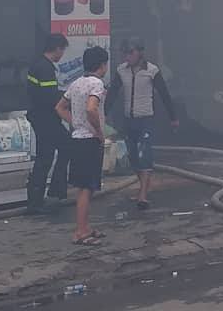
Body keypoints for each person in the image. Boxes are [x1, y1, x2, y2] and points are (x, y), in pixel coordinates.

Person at [105, 39, 178, 210]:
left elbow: (164, 94)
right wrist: (103, 114)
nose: (127, 56)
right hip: (129, 119)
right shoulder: (121, 71)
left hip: (146, 119)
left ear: (139, 53)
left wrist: (173, 117)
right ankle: (143, 186)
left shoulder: (151, 71)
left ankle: (143, 195)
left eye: (130, 52)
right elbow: (113, 94)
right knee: (132, 157)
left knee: (145, 155)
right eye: (125, 53)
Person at [58, 46, 111, 246]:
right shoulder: (97, 84)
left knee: (84, 187)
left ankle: (86, 227)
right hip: (89, 141)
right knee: (87, 188)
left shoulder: (76, 83)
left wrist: (75, 123)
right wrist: (97, 131)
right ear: (102, 65)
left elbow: (60, 107)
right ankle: (80, 231)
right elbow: (91, 108)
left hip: (77, 139)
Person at [24, 34, 71, 211]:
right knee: (66, 146)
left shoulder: (37, 65)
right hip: (47, 118)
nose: (62, 54)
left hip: (39, 116)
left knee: (45, 156)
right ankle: (55, 191)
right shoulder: (46, 69)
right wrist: (68, 99)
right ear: (57, 48)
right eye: (63, 50)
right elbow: (51, 97)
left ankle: (37, 199)